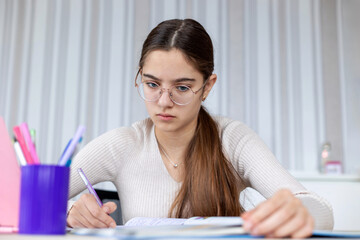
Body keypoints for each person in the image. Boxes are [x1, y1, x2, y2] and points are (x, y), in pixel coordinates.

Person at [66, 19, 333, 238]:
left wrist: (299, 211)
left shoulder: (231, 139)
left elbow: (321, 211)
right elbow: (29, 199)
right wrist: (69, 213)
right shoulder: (122, 144)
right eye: (152, 84)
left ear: (207, 86)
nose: (163, 102)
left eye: (182, 88)